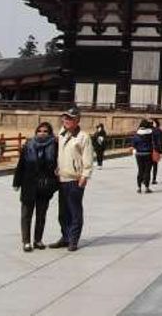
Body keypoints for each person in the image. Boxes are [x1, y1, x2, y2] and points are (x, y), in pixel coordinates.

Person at [49, 107, 94, 251]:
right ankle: (65, 236)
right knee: (63, 212)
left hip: (75, 179)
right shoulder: (61, 134)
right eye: (65, 118)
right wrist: (58, 167)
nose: (66, 121)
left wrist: (85, 176)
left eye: (70, 118)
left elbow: (88, 158)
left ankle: (73, 239)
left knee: (74, 210)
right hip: (62, 178)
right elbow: (60, 154)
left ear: (77, 120)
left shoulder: (83, 137)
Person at [13, 121, 58, 252]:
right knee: (26, 214)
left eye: (45, 131)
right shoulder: (29, 145)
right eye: (40, 131)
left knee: (41, 215)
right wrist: (16, 182)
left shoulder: (55, 145)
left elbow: (58, 164)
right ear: (36, 132)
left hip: (45, 185)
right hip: (28, 184)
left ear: (50, 133)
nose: (42, 134)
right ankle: (26, 241)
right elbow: (21, 164)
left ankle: (38, 240)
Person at [132, 118, 155, 193]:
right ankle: (147, 188)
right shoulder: (150, 134)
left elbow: (134, 145)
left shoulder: (136, 134)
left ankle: (139, 188)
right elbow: (154, 142)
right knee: (147, 171)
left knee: (140, 170)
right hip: (148, 154)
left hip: (139, 154)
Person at [151, 118, 162, 185]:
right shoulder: (158, 131)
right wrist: (161, 151)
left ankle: (145, 179)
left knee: (147, 166)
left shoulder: (148, 130)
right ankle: (153, 179)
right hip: (155, 150)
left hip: (147, 149)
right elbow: (160, 142)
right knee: (155, 165)